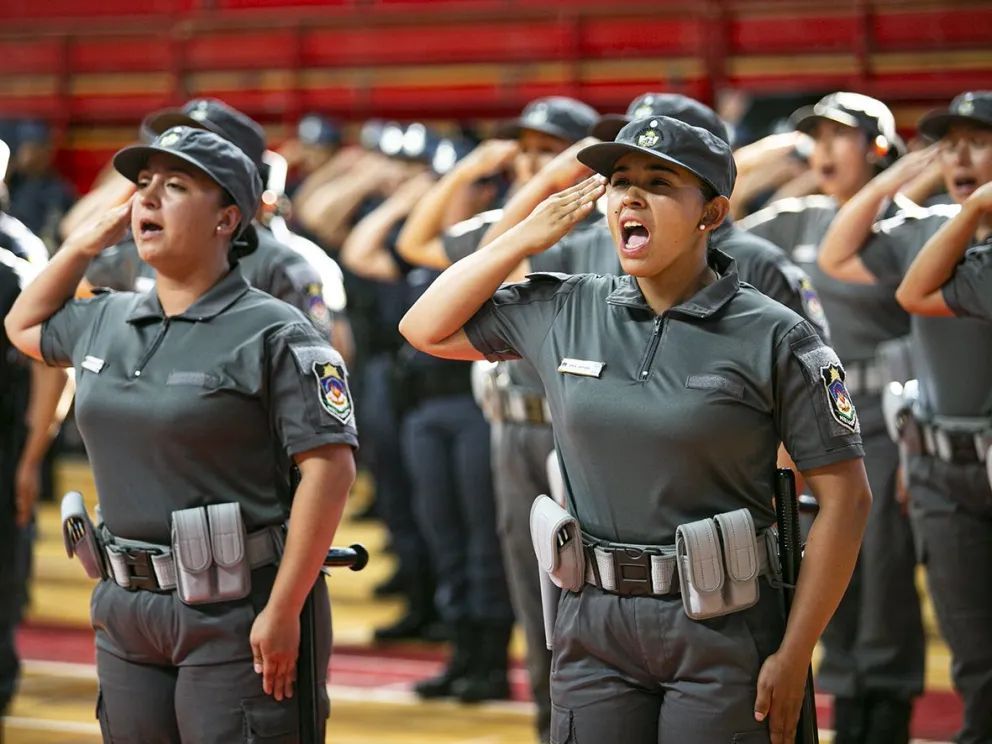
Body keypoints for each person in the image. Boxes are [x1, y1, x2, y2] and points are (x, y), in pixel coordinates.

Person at [400, 115, 871, 744]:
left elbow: (846, 500)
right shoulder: (566, 306)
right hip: (592, 623)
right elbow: (423, 328)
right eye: (619, 181)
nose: (630, 196)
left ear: (712, 213)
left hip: (720, 625)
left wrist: (794, 652)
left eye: (658, 182)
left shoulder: (775, 334)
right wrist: (517, 239)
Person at [4, 126, 358, 742]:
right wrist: (82, 245)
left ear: (227, 218)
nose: (147, 199)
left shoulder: (275, 330)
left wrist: (284, 609)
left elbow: (330, 470)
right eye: (141, 186)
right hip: (125, 606)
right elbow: (21, 324)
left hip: (238, 607)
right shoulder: (107, 316)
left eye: (175, 185)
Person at [738, 92, 925, 743]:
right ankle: (846, 713)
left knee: (886, 589)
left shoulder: (908, 225)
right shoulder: (798, 220)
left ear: (879, 148)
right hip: (813, 432)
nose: (821, 150)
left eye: (836, 137)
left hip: (888, 424)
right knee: (827, 585)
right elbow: (708, 219)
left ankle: (887, 716)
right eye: (813, 138)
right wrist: (764, 156)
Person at [816, 90, 992, 744]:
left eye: (979, 140)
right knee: (973, 652)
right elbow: (836, 253)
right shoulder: (926, 229)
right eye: (952, 143)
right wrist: (903, 177)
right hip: (942, 465)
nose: (962, 156)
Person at [81, 98, 336, 343]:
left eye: (199, 143)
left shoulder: (279, 264)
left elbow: (313, 368)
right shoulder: (142, 246)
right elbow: (65, 319)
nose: (176, 150)